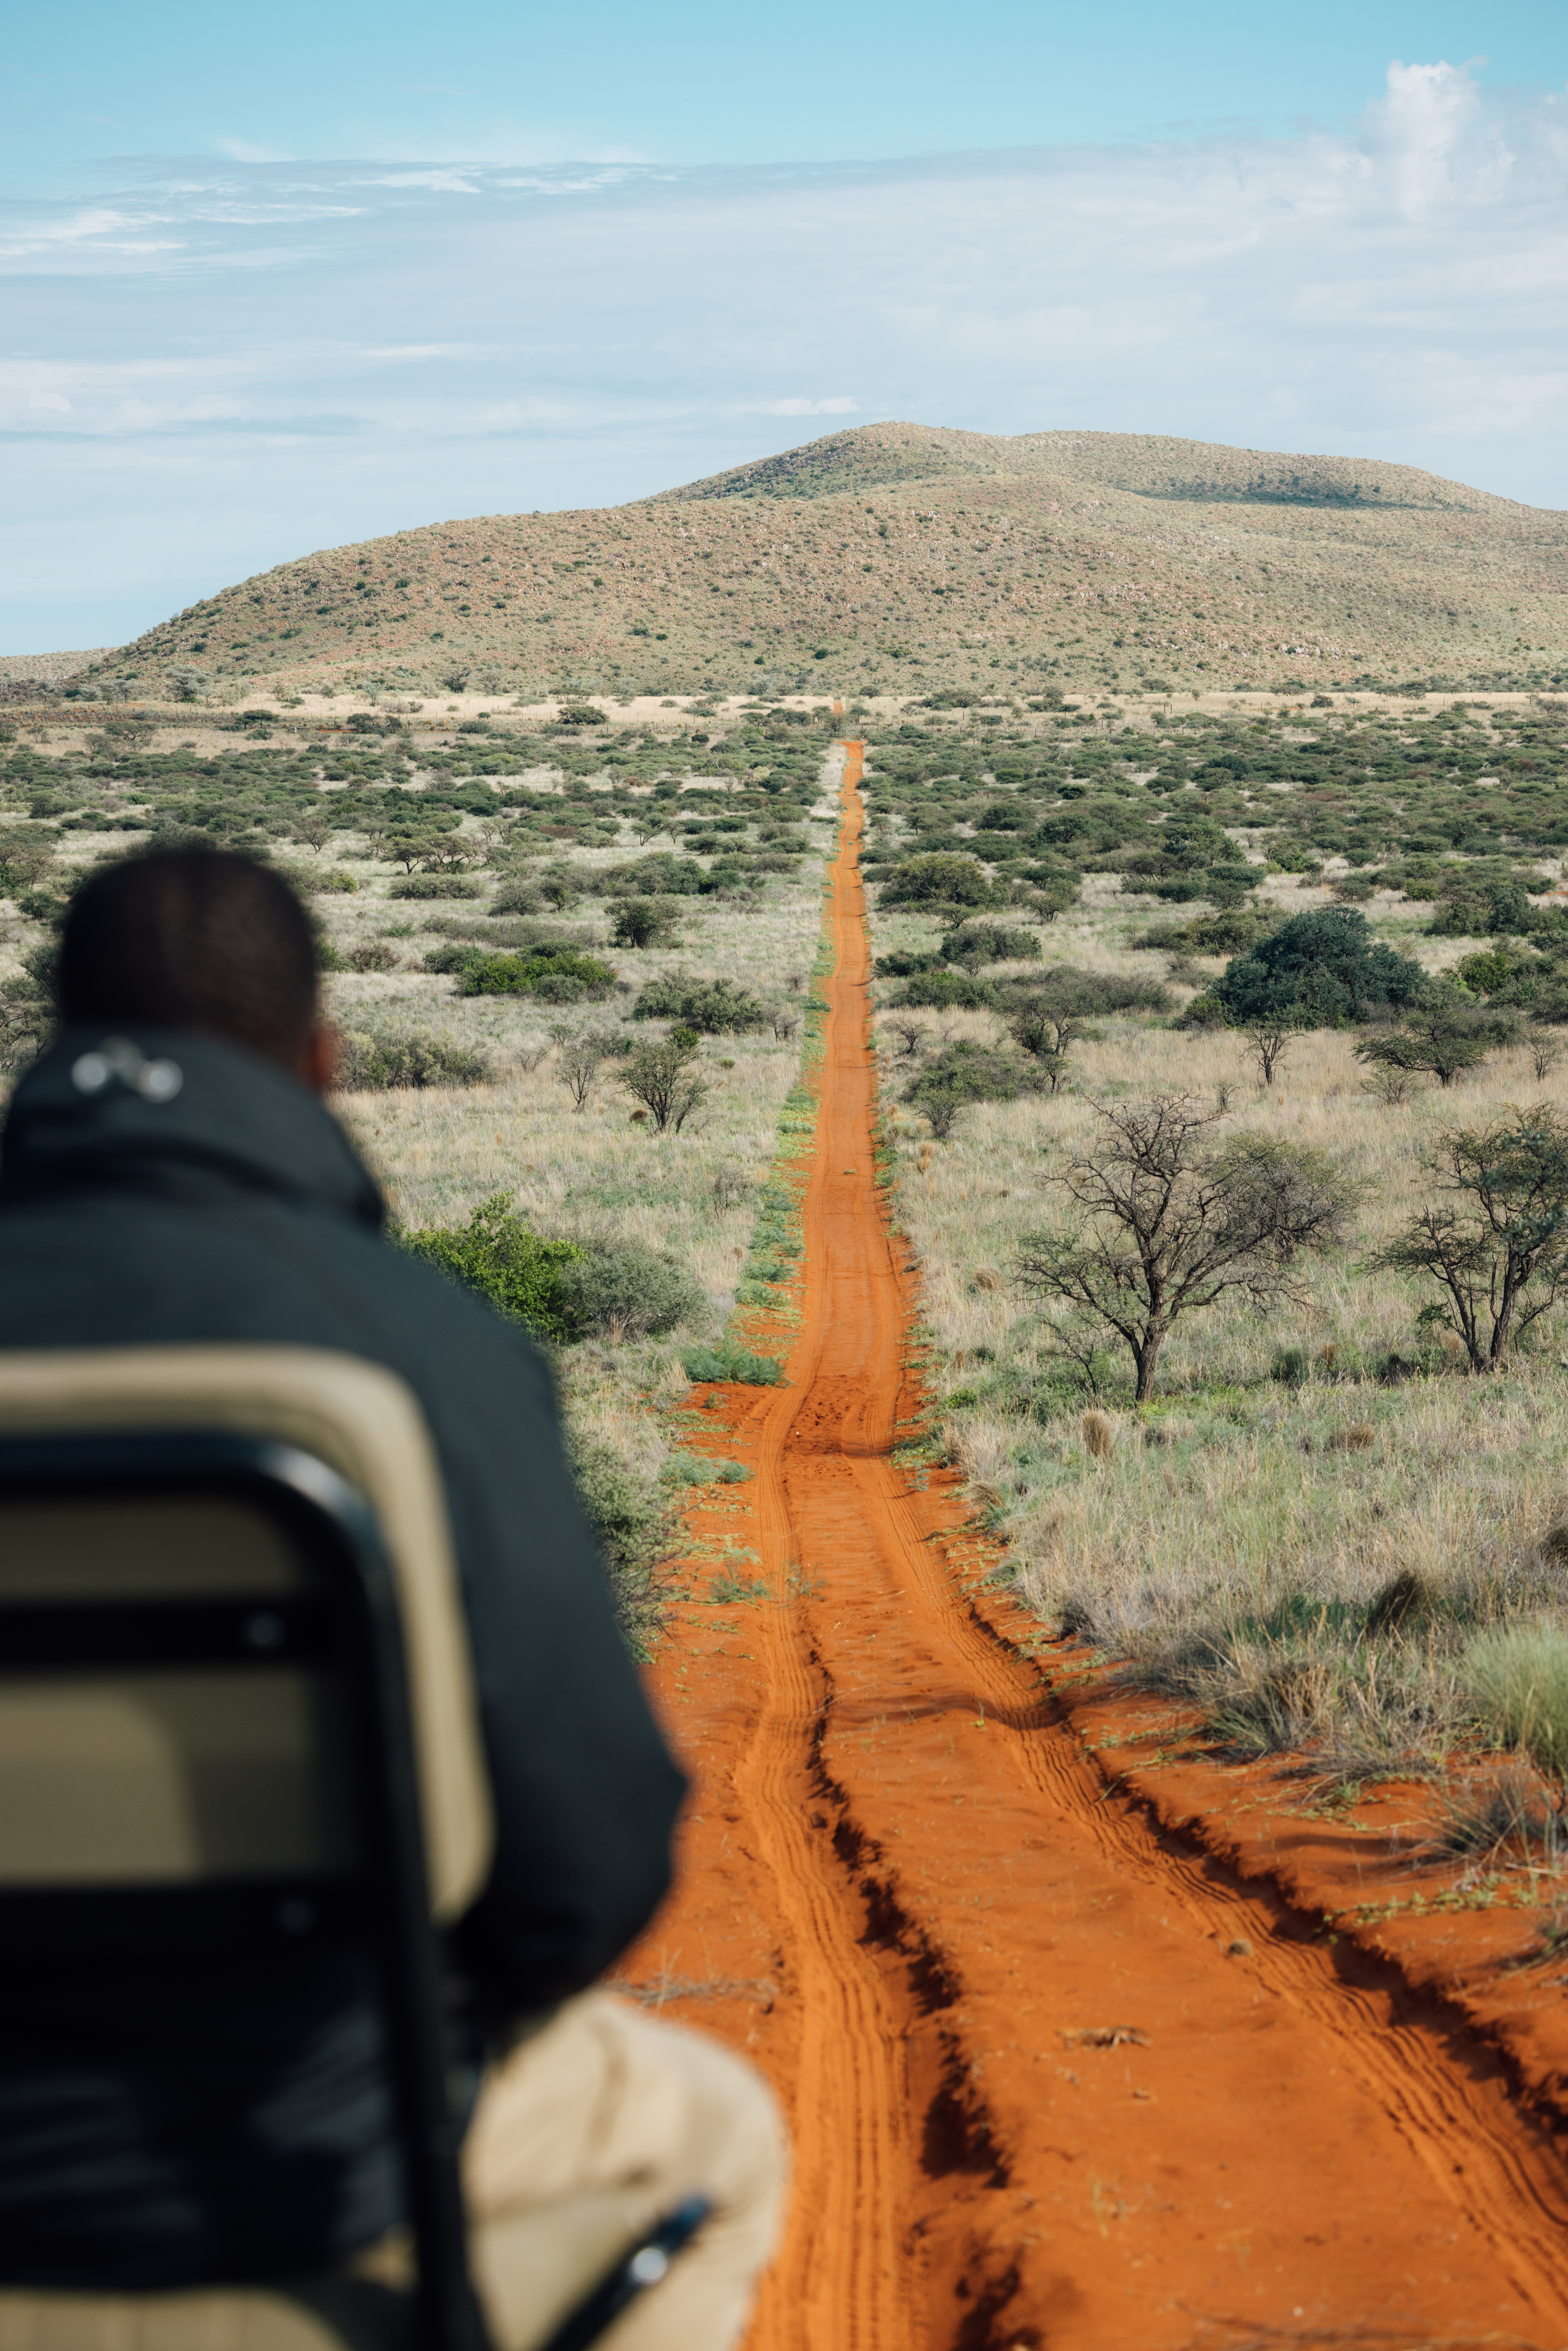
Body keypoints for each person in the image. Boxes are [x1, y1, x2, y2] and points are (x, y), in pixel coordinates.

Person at [0, 847, 786, 2348]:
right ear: (322, 1060)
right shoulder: (427, 1348)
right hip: (311, 2176)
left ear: (53, 1047)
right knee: (718, 2138)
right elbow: (589, 1861)